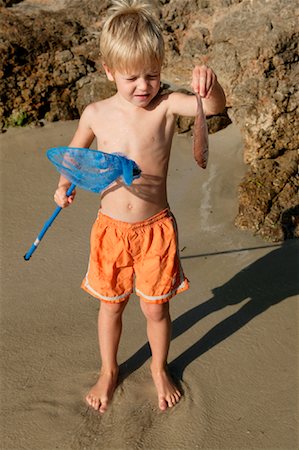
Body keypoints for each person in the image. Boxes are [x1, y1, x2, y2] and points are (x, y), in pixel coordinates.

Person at [54, 0, 226, 413]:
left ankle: (158, 367)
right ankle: (109, 370)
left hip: (155, 230)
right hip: (110, 229)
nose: (144, 86)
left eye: (153, 74)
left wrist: (210, 85)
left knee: (156, 308)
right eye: (132, 77)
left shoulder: (166, 107)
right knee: (110, 306)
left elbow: (216, 108)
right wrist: (64, 186)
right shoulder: (96, 114)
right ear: (109, 70)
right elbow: (74, 157)